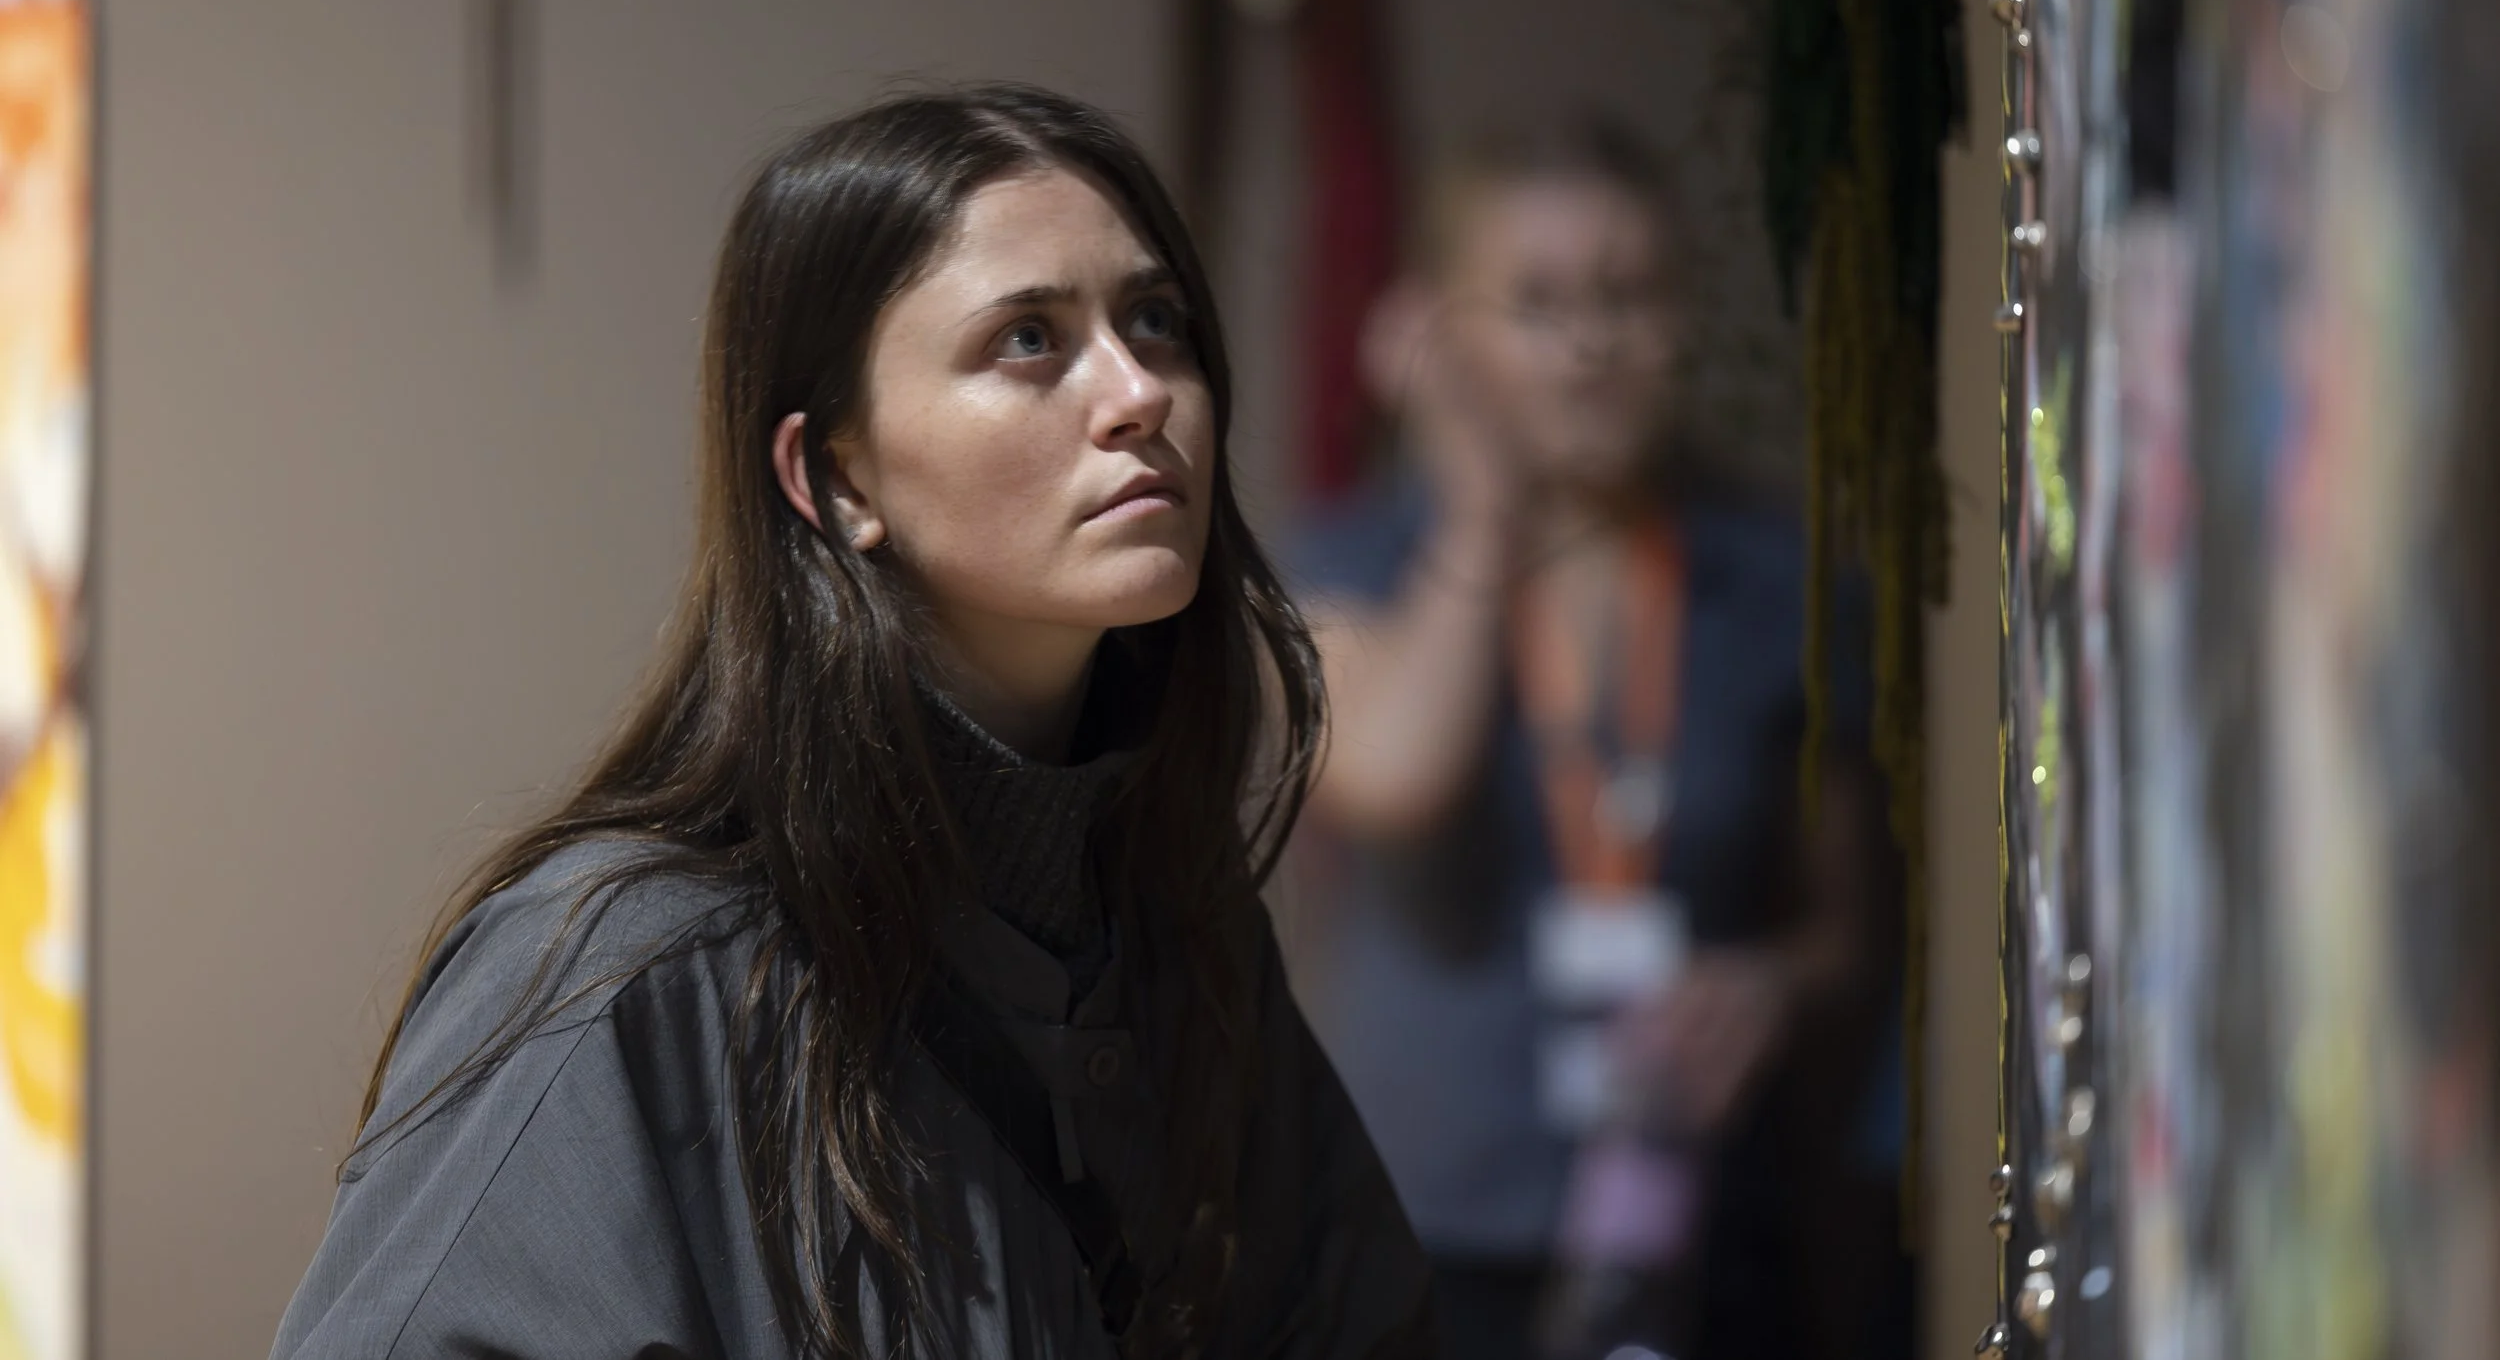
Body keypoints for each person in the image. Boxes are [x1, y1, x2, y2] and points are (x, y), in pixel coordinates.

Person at [272, 85, 1435, 1360]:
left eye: (1155, 321)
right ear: (835, 476)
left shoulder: (1185, 945)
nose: (1138, 391)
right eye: (1029, 340)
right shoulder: (628, 973)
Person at [1287, 122, 1899, 1360]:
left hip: (1709, 1229)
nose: (1590, 345)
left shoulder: (1781, 574)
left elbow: (1852, 932)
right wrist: (1476, 498)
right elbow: (1394, 777)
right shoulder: (1347, 558)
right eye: (1536, 303)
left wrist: (1772, 984)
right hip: (1427, 1229)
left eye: (1630, 296)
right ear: (1436, 331)